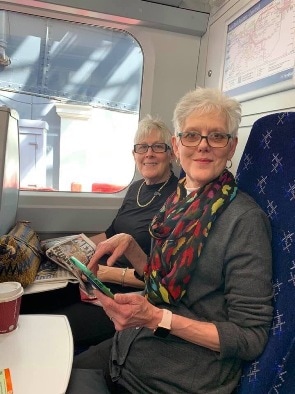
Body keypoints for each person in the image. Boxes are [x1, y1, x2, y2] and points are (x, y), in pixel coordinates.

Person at [69, 87, 273, 394]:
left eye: (216, 136)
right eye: (192, 135)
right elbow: (164, 282)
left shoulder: (245, 220)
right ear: (177, 145)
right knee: (53, 373)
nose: (203, 146)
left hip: (175, 376)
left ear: (231, 148)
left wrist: (156, 316)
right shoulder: (177, 201)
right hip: (129, 350)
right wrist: (133, 247)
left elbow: (250, 337)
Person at [20, 115, 178, 347]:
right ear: (134, 154)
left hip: (123, 293)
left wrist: (102, 273)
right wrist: (61, 247)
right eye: (142, 147)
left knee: (46, 329)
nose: (149, 154)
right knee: (26, 302)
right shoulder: (136, 189)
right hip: (95, 278)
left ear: (172, 153)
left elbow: (164, 278)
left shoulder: (176, 198)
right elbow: (109, 233)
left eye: (158, 147)